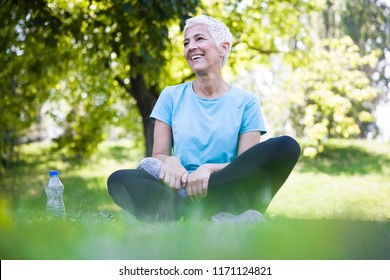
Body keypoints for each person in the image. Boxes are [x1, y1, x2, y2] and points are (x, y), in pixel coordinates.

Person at [107, 15, 301, 223]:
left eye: (199, 39)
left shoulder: (247, 102)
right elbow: (159, 155)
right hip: (179, 188)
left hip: (225, 187)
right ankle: (216, 220)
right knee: (118, 179)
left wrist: (207, 170)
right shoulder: (170, 96)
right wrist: (171, 161)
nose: (191, 47)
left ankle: (191, 217)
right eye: (186, 43)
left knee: (287, 146)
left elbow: (244, 164)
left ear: (223, 48)